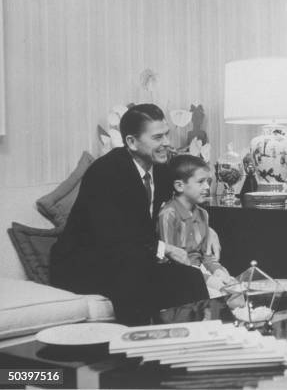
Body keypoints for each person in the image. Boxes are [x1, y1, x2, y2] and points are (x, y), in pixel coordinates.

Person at [50, 104, 221, 325]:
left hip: (132, 257)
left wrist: (207, 228)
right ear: (131, 142)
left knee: (190, 276)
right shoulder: (105, 172)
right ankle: (139, 352)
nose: (167, 143)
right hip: (85, 262)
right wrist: (164, 248)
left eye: (167, 134)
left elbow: (182, 201)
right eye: (158, 137)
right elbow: (112, 237)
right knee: (136, 280)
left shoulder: (160, 170)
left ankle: (200, 340)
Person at [158, 155, 235, 296]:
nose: (207, 187)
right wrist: (208, 279)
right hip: (180, 277)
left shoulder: (203, 214)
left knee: (235, 287)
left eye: (208, 181)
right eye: (201, 182)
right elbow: (171, 261)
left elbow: (206, 256)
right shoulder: (169, 214)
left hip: (201, 272)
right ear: (179, 185)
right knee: (222, 296)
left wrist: (218, 271)